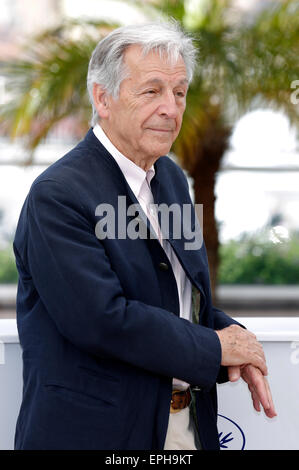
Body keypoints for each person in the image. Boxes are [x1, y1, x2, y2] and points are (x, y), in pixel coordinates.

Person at [13, 21, 276, 451]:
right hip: (97, 436)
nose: (171, 109)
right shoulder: (57, 196)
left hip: (185, 426)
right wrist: (214, 347)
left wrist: (234, 338)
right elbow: (101, 320)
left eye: (179, 92)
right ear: (103, 98)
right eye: (152, 91)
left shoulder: (171, 178)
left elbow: (180, 300)